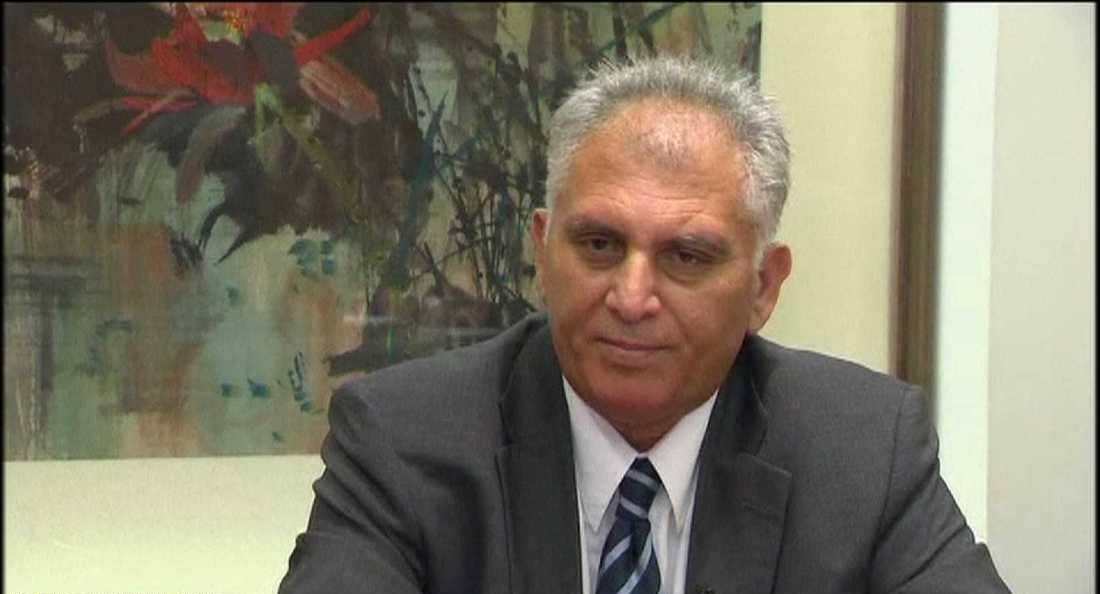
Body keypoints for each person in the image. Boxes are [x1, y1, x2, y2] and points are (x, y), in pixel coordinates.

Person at [279, 56, 1010, 594]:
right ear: (543, 252)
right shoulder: (403, 441)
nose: (631, 298)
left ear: (763, 287)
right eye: (599, 245)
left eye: (686, 257)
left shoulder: (862, 451)